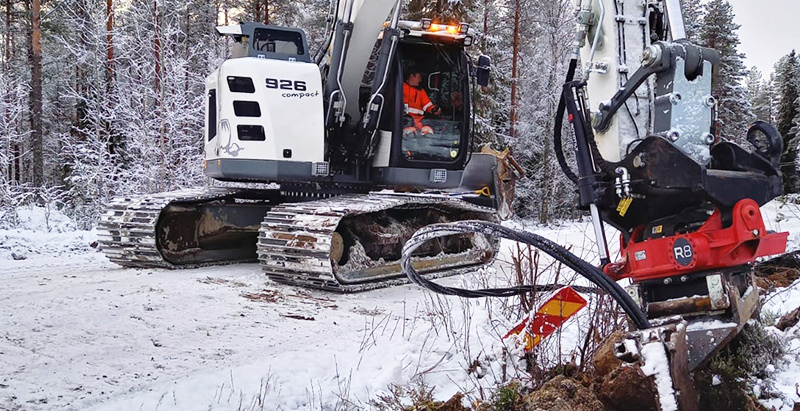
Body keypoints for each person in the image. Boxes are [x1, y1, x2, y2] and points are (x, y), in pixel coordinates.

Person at [403, 68, 441, 136]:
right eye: (419, 77)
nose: (420, 80)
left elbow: (427, 105)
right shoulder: (400, 88)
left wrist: (434, 109)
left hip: (420, 122)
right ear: (412, 76)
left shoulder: (421, 91)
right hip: (404, 121)